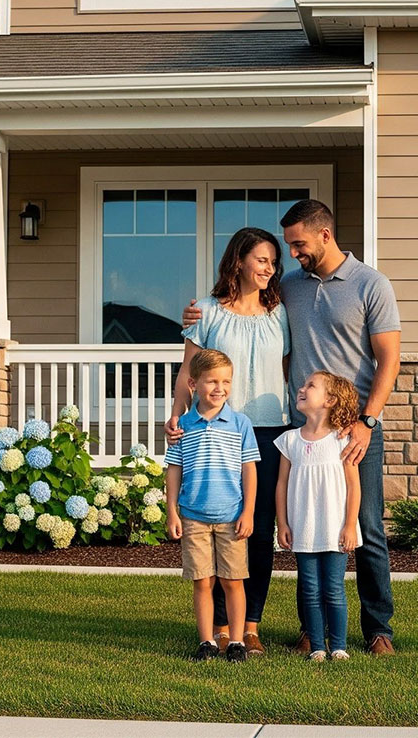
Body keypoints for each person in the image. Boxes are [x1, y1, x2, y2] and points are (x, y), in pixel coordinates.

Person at [178, 199, 402, 656]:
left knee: (367, 528)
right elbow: (214, 355)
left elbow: (389, 360)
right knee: (303, 525)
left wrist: (366, 421)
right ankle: (308, 628)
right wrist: (194, 322)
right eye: (280, 251)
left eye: (296, 246)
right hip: (298, 431)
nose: (290, 257)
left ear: (323, 234)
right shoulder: (290, 291)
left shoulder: (370, 284)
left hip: (353, 428)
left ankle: (378, 630)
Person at [167, 227, 290, 657]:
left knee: (255, 529)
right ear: (238, 260)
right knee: (213, 522)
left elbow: (287, 368)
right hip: (215, 430)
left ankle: (249, 626)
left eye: (274, 262)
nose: (269, 269)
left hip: (271, 429)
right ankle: (218, 626)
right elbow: (187, 372)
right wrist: (177, 413)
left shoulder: (280, 313)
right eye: (261, 260)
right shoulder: (205, 312)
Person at [164, 349, 259, 663]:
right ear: (193, 383)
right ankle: (206, 641)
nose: (220, 388)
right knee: (202, 581)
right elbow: (174, 469)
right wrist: (172, 512)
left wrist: (248, 512)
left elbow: (249, 470)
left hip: (232, 516)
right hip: (193, 518)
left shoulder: (240, 424)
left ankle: (235, 641)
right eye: (212, 381)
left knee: (233, 580)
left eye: (226, 382)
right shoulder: (183, 426)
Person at [275, 371, 362, 662]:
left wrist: (350, 525)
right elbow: (282, 484)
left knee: (334, 589)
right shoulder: (289, 441)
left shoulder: (342, 440)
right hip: (303, 527)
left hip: (336, 527)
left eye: (310, 385)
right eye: (303, 384)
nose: (301, 388)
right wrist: (283, 523)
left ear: (330, 400)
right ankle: (316, 647)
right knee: (310, 589)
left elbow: (353, 485)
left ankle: (338, 646)